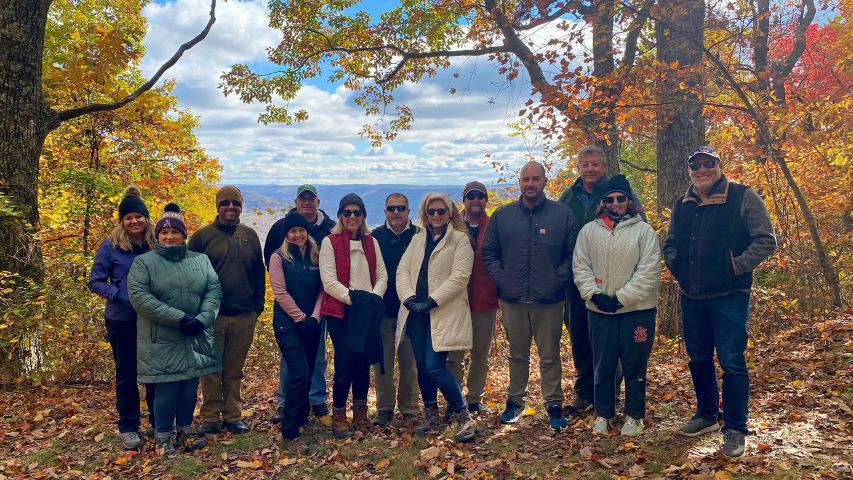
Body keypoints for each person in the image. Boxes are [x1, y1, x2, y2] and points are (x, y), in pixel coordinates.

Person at [664, 146, 776, 457]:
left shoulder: (742, 196)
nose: (702, 170)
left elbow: (766, 240)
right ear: (690, 170)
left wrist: (734, 266)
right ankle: (706, 415)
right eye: (696, 165)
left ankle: (736, 428)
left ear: (718, 165)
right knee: (698, 358)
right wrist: (679, 270)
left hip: (730, 295)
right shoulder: (682, 204)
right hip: (692, 295)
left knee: (732, 362)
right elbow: (671, 243)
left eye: (708, 164)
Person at [482, 161, 577, 431]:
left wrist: (557, 282)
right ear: (520, 183)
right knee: (517, 354)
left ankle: (554, 404)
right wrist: (503, 280)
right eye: (526, 179)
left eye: (535, 179)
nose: (530, 184)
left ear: (545, 181)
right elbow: (489, 253)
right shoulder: (503, 216)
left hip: (549, 300)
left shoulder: (562, 214)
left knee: (549, 355)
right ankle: (515, 402)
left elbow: (572, 255)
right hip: (513, 299)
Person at [128, 204, 222, 457]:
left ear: (184, 234)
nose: (169, 236)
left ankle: (185, 432)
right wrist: (179, 318)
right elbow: (141, 298)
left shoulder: (200, 260)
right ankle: (163, 438)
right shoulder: (144, 263)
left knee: (190, 387)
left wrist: (203, 319)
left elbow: (213, 290)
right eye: (164, 233)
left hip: (195, 333)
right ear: (157, 236)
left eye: (175, 232)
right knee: (166, 388)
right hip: (162, 337)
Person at [558, 145, 645, 415]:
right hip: (577, 278)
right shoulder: (569, 196)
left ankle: (608, 393)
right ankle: (584, 392)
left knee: (610, 340)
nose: (590, 169)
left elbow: (639, 226)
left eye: (595, 164)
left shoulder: (617, 192)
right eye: (585, 165)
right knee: (580, 336)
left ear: (604, 166)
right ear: (578, 168)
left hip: (613, 278)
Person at [572, 175, 661, 437]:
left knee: (634, 365)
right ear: (603, 203)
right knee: (603, 364)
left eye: (620, 198)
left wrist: (621, 298)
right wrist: (594, 295)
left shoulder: (644, 232)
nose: (615, 203)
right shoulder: (589, 231)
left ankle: (634, 415)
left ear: (629, 201)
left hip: (637, 311)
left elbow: (648, 271)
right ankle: (603, 413)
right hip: (600, 311)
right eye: (609, 199)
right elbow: (580, 265)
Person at [396, 193, 478, 443]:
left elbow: (460, 277)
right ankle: (431, 416)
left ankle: (464, 416)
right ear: (425, 214)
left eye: (441, 211)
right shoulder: (417, 239)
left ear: (450, 213)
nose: (436, 216)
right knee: (421, 365)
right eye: (431, 212)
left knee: (434, 365)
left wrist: (432, 301)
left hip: (441, 311)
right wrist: (409, 298)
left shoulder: (460, 241)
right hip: (416, 313)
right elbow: (402, 270)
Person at [188, 186, 266, 435]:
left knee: (234, 371)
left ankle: (233, 416)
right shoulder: (202, 237)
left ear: (241, 206)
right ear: (218, 207)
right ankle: (210, 417)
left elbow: (258, 274)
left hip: (244, 314)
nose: (230, 207)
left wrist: (258, 306)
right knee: (210, 369)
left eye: (235, 203)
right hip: (212, 316)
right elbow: (190, 277)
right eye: (225, 203)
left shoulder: (250, 236)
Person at [87, 186, 156, 450]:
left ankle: (157, 422)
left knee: (152, 372)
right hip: (122, 319)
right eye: (129, 218)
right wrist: (121, 294)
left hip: (152, 319)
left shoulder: (157, 242)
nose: (134, 221)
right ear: (122, 221)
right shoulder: (111, 245)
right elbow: (95, 281)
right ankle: (129, 426)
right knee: (127, 374)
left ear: (145, 218)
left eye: (138, 216)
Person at [319, 193, 388, 439]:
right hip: (341, 311)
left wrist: (372, 299)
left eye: (356, 213)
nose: (352, 217)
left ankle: (360, 411)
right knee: (345, 362)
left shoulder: (371, 242)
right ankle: (338, 413)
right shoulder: (331, 241)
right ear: (340, 215)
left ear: (363, 216)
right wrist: (357, 301)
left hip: (367, 310)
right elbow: (328, 281)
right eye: (347, 213)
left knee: (363, 361)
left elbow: (382, 275)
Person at [265, 184, 335, 422]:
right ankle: (286, 403)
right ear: (296, 201)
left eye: (311, 199)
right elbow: (272, 265)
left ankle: (316, 399)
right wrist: (298, 315)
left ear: (318, 202)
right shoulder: (279, 229)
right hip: (290, 313)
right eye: (303, 199)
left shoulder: (330, 228)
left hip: (318, 309)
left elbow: (324, 281)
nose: (307, 202)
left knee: (318, 355)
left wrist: (315, 315)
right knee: (291, 359)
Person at [268, 212, 324, 446]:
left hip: (311, 323)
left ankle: (302, 417)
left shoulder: (315, 254)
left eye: (301, 230)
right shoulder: (278, 257)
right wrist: (301, 318)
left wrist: (315, 317)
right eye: (293, 231)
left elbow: (323, 289)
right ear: (287, 234)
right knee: (298, 372)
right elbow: (280, 292)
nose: (298, 234)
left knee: (309, 372)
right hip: (287, 323)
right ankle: (289, 430)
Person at [447, 181, 499, 415]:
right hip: (455, 301)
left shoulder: (494, 226)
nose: (475, 199)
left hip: (485, 299)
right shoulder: (451, 226)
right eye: (471, 196)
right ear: (464, 200)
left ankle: (475, 399)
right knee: (453, 356)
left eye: (480, 196)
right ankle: (455, 400)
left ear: (486, 200)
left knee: (480, 355)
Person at [369, 193, 420, 427]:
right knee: (383, 363)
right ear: (385, 212)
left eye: (401, 208)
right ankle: (384, 408)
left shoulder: (419, 235)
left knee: (410, 362)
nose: (396, 212)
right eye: (391, 209)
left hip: (411, 311)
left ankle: (409, 408)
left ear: (408, 210)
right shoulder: (375, 237)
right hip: (384, 311)